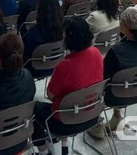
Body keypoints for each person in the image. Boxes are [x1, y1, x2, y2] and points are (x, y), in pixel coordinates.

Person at [32, 18, 104, 155]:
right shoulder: (96, 53)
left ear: (69, 39)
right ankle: (64, 145)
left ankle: (43, 151)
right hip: (92, 113)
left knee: (34, 110)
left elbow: (50, 95)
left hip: (65, 122)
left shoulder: (64, 66)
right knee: (68, 100)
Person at [86, 7, 137, 139]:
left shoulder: (117, 51)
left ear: (123, 26)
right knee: (121, 79)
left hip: (115, 97)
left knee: (95, 83)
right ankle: (117, 116)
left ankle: (95, 125)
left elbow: (103, 78)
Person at [22, 0, 64, 77]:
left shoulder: (30, 35)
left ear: (39, 10)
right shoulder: (64, 31)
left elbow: (24, 58)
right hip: (57, 68)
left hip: (34, 72)